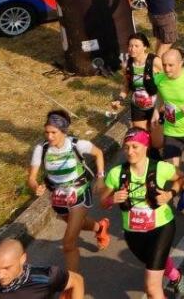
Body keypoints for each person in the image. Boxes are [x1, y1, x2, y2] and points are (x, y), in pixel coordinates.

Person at [100, 129, 184, 299]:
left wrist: (170, 194)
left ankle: (171, 282)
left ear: (145, 146)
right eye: (126, 147)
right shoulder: (116, 173)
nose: (130, 152)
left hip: (161, 227)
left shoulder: (160, 168)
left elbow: (182, 177)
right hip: (133, 232)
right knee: (154, 261)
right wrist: (112, 199)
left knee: (151, 287)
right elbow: (103, 202)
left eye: (135, 146)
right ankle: (177, 277)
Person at [26, 110, 108, 275]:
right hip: (58, 198)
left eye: (54, 132)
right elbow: (31, 178)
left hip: (80, 193)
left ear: (64, 131)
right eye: (47, 132)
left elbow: (98, 153)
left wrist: (100, 178)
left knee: (68, 243)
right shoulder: (41, 149)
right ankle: (100, 227)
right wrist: (36, 187)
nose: (49, 137)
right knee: (76, 223)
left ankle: (73, 281)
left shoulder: (77, 144)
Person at [0, 238, 84, 299]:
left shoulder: (46, 277)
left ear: (22, 259)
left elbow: (77, 281)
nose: (0, 275)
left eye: (7, 268)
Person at [119, 33, 162, 132]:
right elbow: (126, 85)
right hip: (138, 107)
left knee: (157, 139)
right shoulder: (126, 65)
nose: (132, 49)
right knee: (141, 136)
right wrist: (119, 99)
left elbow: (167, 82)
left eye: (136, 46)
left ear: (145, 47)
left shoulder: (155, 61)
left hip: (156, 106)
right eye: (130, 46)